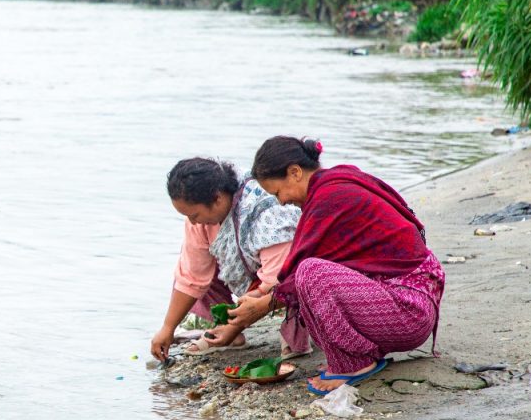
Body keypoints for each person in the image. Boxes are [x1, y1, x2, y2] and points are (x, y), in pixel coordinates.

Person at [227, 137, 445, 394]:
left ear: (295, 172)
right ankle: (359, 355)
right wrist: (265, 294)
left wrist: (264, 304)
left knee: (310, 273)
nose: (282, 202)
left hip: (409, 312)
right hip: (400, 301)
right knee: (307, 276)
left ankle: (355, 363)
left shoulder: (331, 195)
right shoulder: (333, 182)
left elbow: (303, 272)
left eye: (278, 193)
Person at [149, 157, 306, 361]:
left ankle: (297, 331)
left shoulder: (267, 211)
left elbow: (277, 279)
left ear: (217, 199)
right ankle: (226, 331)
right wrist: (167, 328)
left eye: (194, 215)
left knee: (291, 281)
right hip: (252, 271)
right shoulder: (199, 221)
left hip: (285, 273)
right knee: (198, 270)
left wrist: (235, 325)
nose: (192, 222)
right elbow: (191, 275)